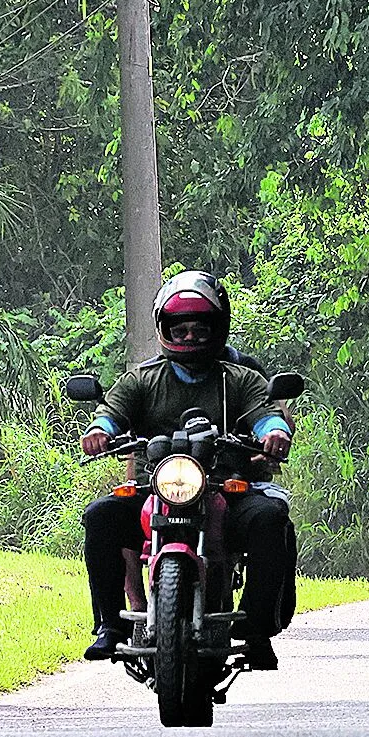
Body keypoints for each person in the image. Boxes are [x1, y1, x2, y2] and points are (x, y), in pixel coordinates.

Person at [78, 271, 297, 669]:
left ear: (219, 328)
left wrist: (274, 433)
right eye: (180, 329)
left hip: (226, 487)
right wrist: (98, 432)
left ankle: (257, 628)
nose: (191, 337)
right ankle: (109, 625)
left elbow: (265, 416)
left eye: (201, 328)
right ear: (164, 329)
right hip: (154, 489)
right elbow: (110, 413)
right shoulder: (142, 379)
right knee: (100, 516)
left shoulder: (239, 378)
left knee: (271, 517)